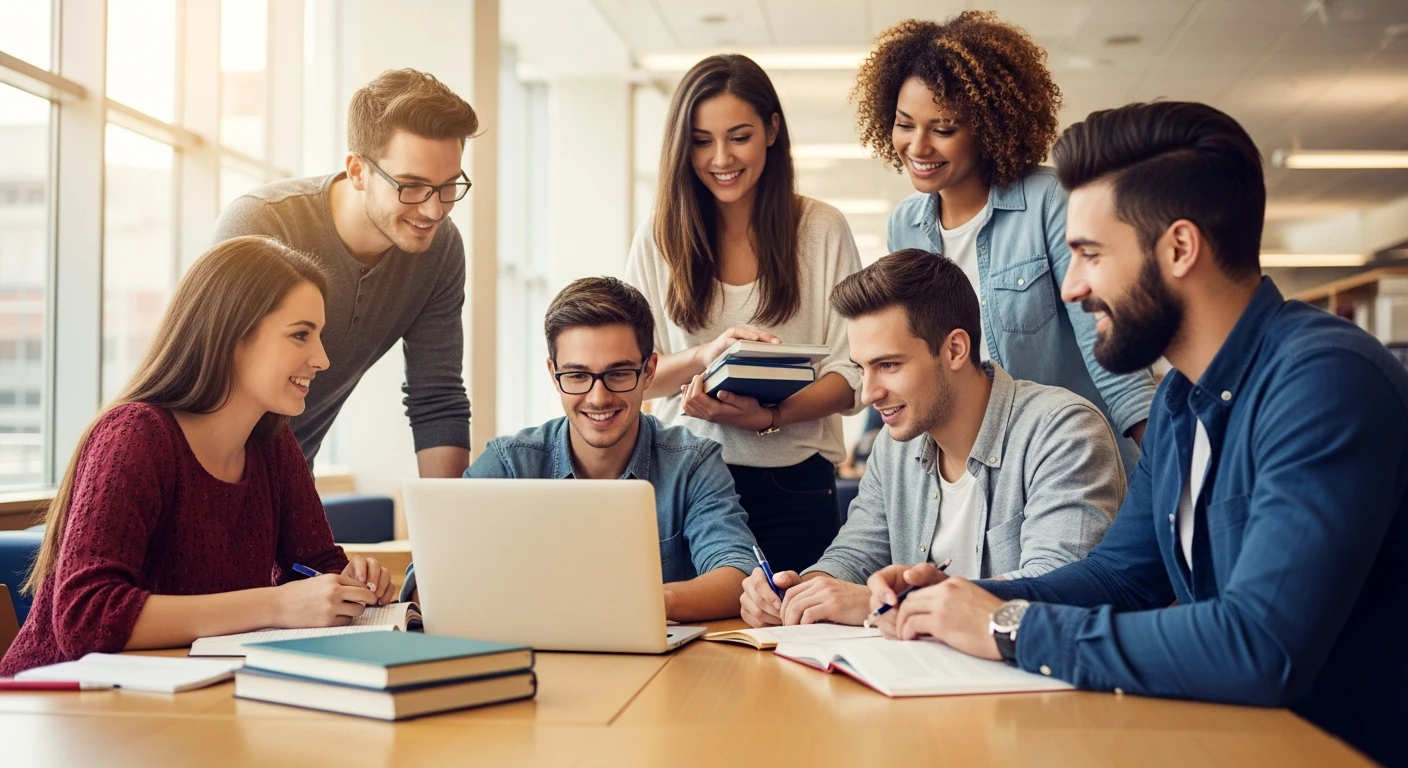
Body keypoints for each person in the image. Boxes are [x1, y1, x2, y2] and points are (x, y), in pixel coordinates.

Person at [873, 102, 1408, 766]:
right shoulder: (1183, 400)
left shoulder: (1323, 382)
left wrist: (1007, 628)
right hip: (1222, 741)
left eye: (1090, 255)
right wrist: (961, 601)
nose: (1071, 288)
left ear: (1179, 248)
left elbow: (1261, 646)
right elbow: (1123, 579)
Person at [0, 236, 394, 676]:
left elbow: (317, 566)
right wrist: (277, 603)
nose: (321, 358)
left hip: (183, 696)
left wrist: (350, 583)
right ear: (231, 334)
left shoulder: (273, 445)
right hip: (57, 711)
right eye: (300, 335)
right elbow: (87, 617)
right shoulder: (136, 437)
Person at [739, 250, 1124, 628]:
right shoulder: (893, 447)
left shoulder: (1063, 430)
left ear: (955, 349)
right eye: (862, 368)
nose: (868, 393)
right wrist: (797, 592)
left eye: (888, 365)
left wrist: (891, 604)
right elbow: (854, 554)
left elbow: (1059, 586)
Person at [854, 13, 1156, 471]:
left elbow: (1109, 351)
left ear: (988, 127)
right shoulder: (906, 227)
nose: (918, 147)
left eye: (943, 128)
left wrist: (1166, 471)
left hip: (1066, 458)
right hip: (973, 465)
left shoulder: (1049, 202)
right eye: (904, 124)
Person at [400, 278, 758, 622]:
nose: (598, 397)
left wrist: (648, 601)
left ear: (649, 371)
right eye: (576, 376)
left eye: (618, 374)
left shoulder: (693, 464)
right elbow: (427, 580)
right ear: (553, 373)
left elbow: (738, 574)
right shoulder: (510, 462)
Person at [626, 54, 863, 574]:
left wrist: (771, 418)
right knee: (690, 642)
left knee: (796, 638)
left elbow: (853, 376)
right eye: (701, 140)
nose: (721, 157)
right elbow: (633, 378)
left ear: (772, 130)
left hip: (794, 482)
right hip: (684, 479)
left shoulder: (821, 229)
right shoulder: (659, 237)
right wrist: (704, 357)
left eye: (739, 136)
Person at [212, 68, 477, 478]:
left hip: (291, 483)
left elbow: (437, 398)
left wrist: (445, 534)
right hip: (204, 474)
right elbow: (216, 381)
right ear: (357, 170)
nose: (433, 210)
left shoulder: (439, 251)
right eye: (411, 186)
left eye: (448, 186)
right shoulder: (263, 224)